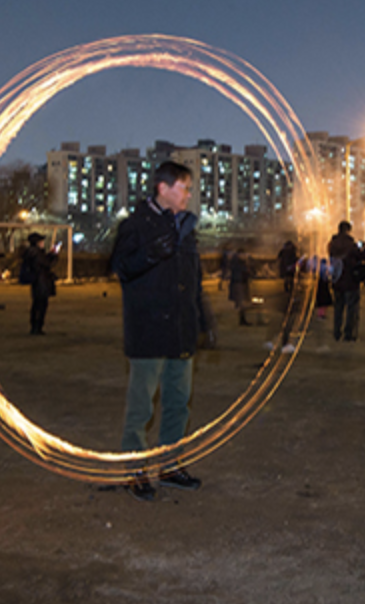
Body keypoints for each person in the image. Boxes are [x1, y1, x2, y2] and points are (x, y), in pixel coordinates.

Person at [110, 161, 215, 501]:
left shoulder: (185, 228)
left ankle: (170, 467)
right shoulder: (135, 226)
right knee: (141, 406)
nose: (188, 194)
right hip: (149, 330)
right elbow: (121, 268)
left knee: (177, 403)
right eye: (184, 187)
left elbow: (193, 280)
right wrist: (150, 254)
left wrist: (203, 319)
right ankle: (134, 470)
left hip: (181, 330)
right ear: (163, 188)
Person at [328, 221, 362, 341]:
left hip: (337, 280)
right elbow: (359, 257)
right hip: (350, 280)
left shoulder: (332, 243)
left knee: (338, 307)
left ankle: (337, 332)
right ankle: (348, 333)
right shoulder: (351, 244)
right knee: (351, 308)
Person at [23, 233, 57, 335]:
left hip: (37, 281)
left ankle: (35, 326)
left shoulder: (32, 252)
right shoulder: (36, 253)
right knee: (40, 304)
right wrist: (54, 256)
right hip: (40, 281)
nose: (43, 243)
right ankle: (37, 327)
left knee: (37, 304)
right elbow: (47, 264)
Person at [228, 248, 252, 326]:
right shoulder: (238, 263)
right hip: (239, 283)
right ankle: (242, 319)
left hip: (240, 283)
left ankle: (242, 319)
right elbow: (242, 271)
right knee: (241, 302)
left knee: (242, 302)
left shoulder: (237, 261)